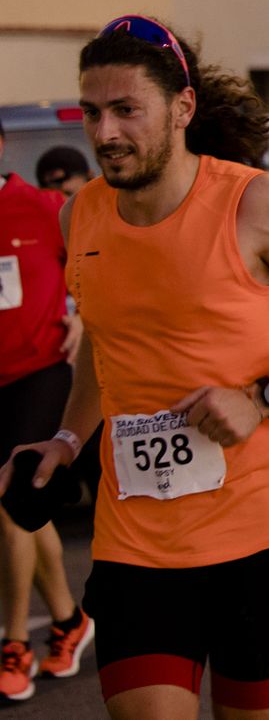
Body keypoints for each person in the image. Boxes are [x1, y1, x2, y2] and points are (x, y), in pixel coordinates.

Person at [0, 14, 269, 718]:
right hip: (137, 534)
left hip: (257, 530)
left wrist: (264, 396)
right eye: (92, 112)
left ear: (182, 110)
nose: (105, 133)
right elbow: (106, 341)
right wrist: (65, 442)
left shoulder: (257, 205)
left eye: (126, 111)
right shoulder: (79, 217)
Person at [0, 118, 93, 704]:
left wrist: (82, 312)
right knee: (29, 516)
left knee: (12, 505)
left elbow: (95, 264)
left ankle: (14, 645)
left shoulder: (40, 207)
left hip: (41, 371)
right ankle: (67, 621)